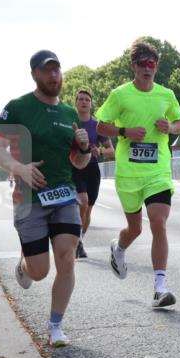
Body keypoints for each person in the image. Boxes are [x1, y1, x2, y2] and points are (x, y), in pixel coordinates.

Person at [0, 49, 92, 347]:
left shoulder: (70, 114)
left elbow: (79, 163)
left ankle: (55, 327)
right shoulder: (19, 107)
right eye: (47, 70)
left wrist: (84, 149)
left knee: (67, 259)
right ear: (34, 74)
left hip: (63, 196)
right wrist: (18, 168)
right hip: (29, 199)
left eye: (57, 69)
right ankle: (24, 266)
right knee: (39, 271)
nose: (53, 75)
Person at [96, 41, 180, 308]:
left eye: (152, 64)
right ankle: (119, 248)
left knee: (158, 222)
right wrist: (125, 132)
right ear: (134, 67)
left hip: (157, 171)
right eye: (143, 64)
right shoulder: (120, 95)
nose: (148, 68)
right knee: (135, 228)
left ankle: (160, 287)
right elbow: (102, 124)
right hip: (130, 173)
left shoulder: (166, 94)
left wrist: (169, 127)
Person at [71, 89, 115, 259]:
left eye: (87, 99)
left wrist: (101, 152)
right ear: (76, 103)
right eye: (80, 99)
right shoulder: (70, 124)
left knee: (88, 210)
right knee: (83, 202)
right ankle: (77, 241)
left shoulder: (97, 126)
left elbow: (111, 151)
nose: (83, 102)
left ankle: (80, 240)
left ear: (91, 104)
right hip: (75, 168)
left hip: (92, 169)